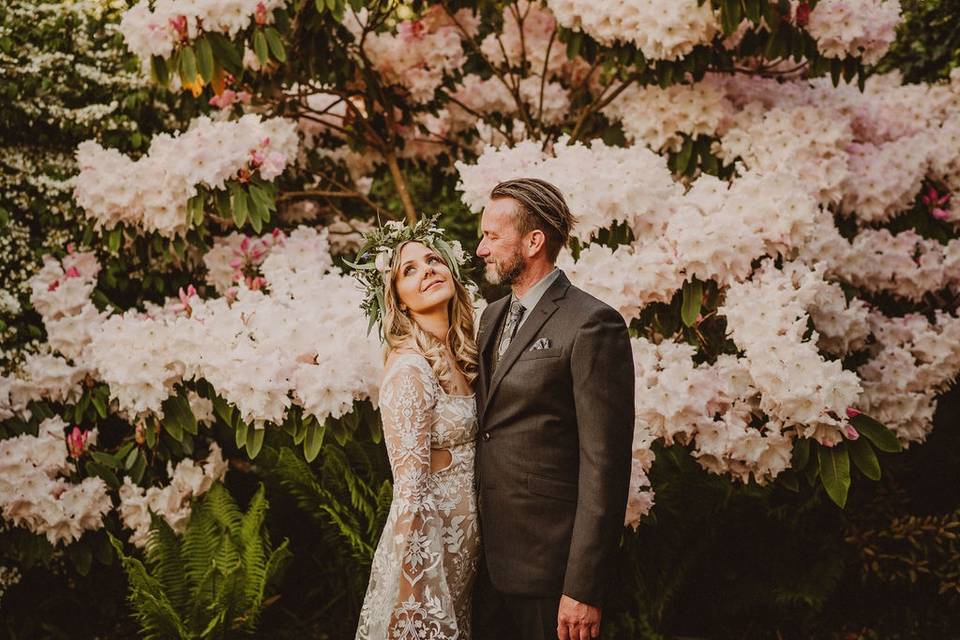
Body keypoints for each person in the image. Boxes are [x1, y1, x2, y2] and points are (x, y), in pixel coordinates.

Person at [472, 178, 635, 640]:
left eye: (491, 236)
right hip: (486, 565)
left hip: (551, 574)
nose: (481, 249)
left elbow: (605, 464)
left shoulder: (592, 324)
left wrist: (583, 587)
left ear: (533, 241)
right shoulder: (491, 315)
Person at [352, 217, 481, 639]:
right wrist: (418, 595)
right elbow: (410, 493)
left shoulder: (465, 359)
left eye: (432, 260)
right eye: (409, 269)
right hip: (429, 563)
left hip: (465, 554)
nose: (427, 269)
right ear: (399, 301)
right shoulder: (410, 369)